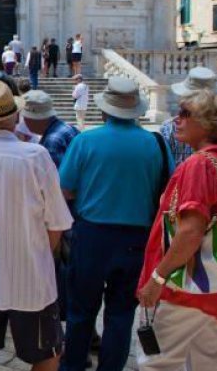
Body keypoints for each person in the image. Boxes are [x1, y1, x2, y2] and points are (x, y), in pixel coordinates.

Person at [0, 79, 73, 371]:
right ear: (17, 116)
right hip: (31, 276)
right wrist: (40, 254)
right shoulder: (36, 156)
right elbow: (57, 222)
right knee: (46, 354)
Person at [136, 90, 217, 370]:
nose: (176, 119)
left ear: (209, 123)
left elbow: (190, 231)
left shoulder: (199, 164)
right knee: (208, 363)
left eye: (185, 113)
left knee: (157, 363)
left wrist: (157, 277)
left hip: (186, 287)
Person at [58, 78, 170, 371]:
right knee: (121, 314)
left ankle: (73, 365)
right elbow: (167, 191)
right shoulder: (155, 143)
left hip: (92, 235)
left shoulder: (85, 141)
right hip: (137, 239)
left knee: (81, 310)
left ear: (106, 109)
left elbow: (65, 188)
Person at [20, 91, 78, 167]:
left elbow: (57, 177)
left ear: (34, 119)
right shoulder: (68, 127)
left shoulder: (51, 142)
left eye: (25, 117)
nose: (24, 121)